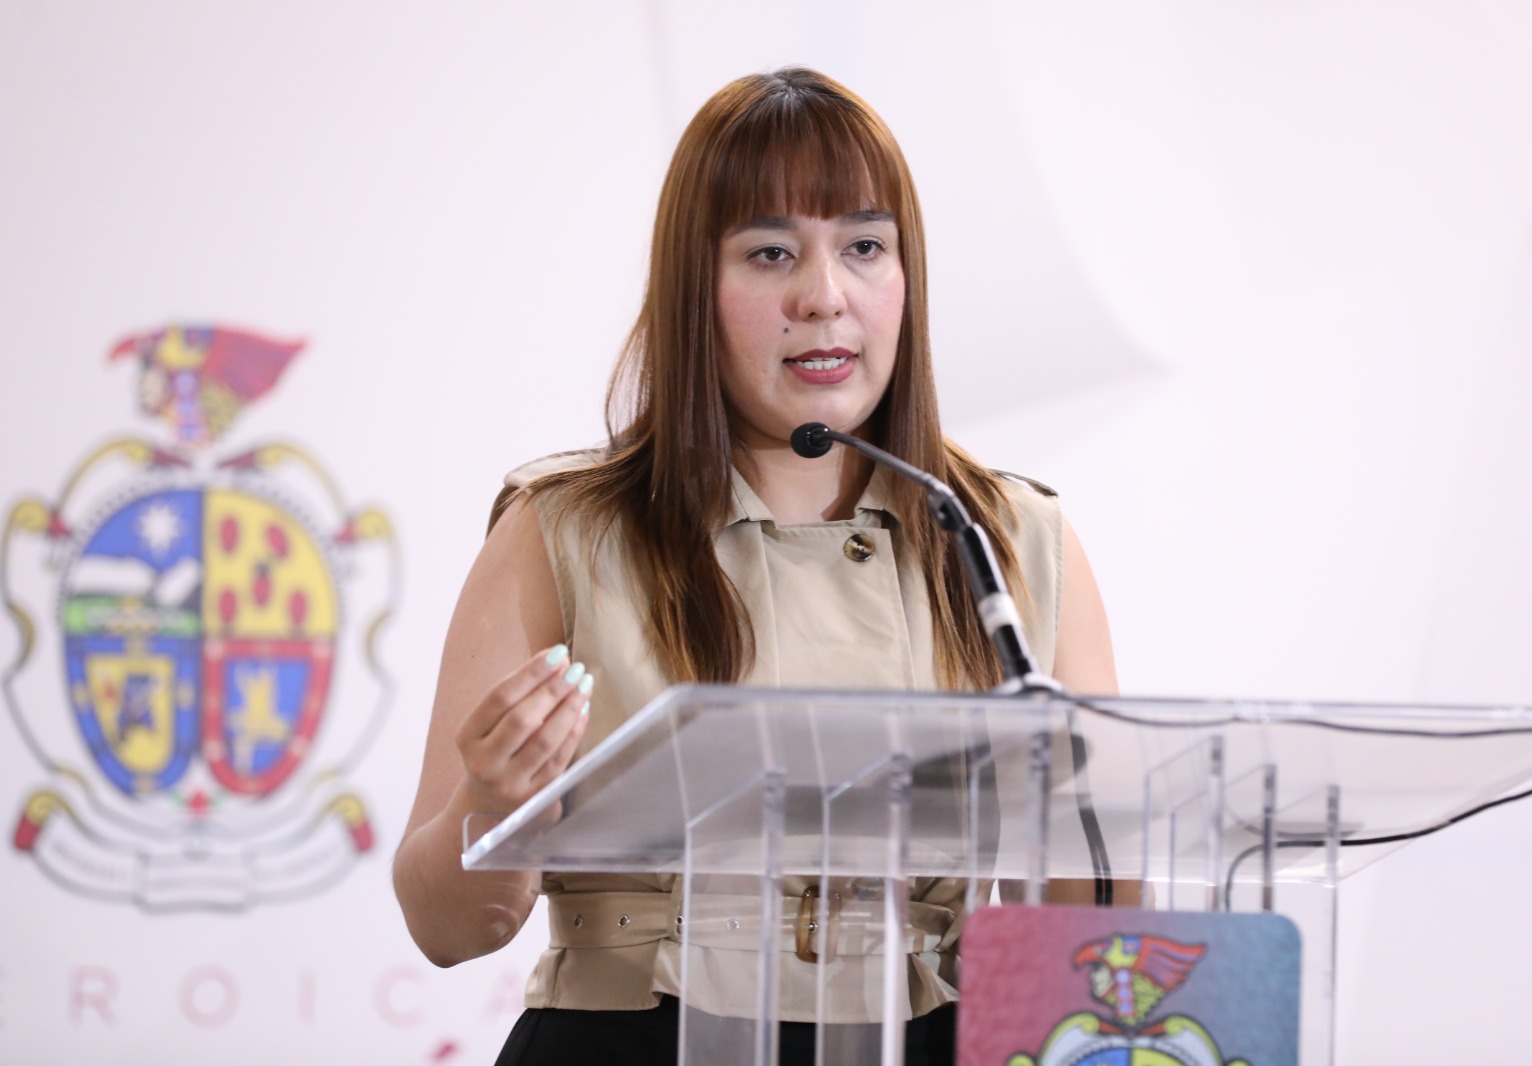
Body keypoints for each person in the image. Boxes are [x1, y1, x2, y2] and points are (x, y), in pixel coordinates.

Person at [392, 66, 1118, 1065]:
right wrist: (494, 798)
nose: (824, 297)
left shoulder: (1012, 539)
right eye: (771, 252)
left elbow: (1095, 925)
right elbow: (443, 929)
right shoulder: (561, 532)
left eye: (864, 247)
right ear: (695, 284)